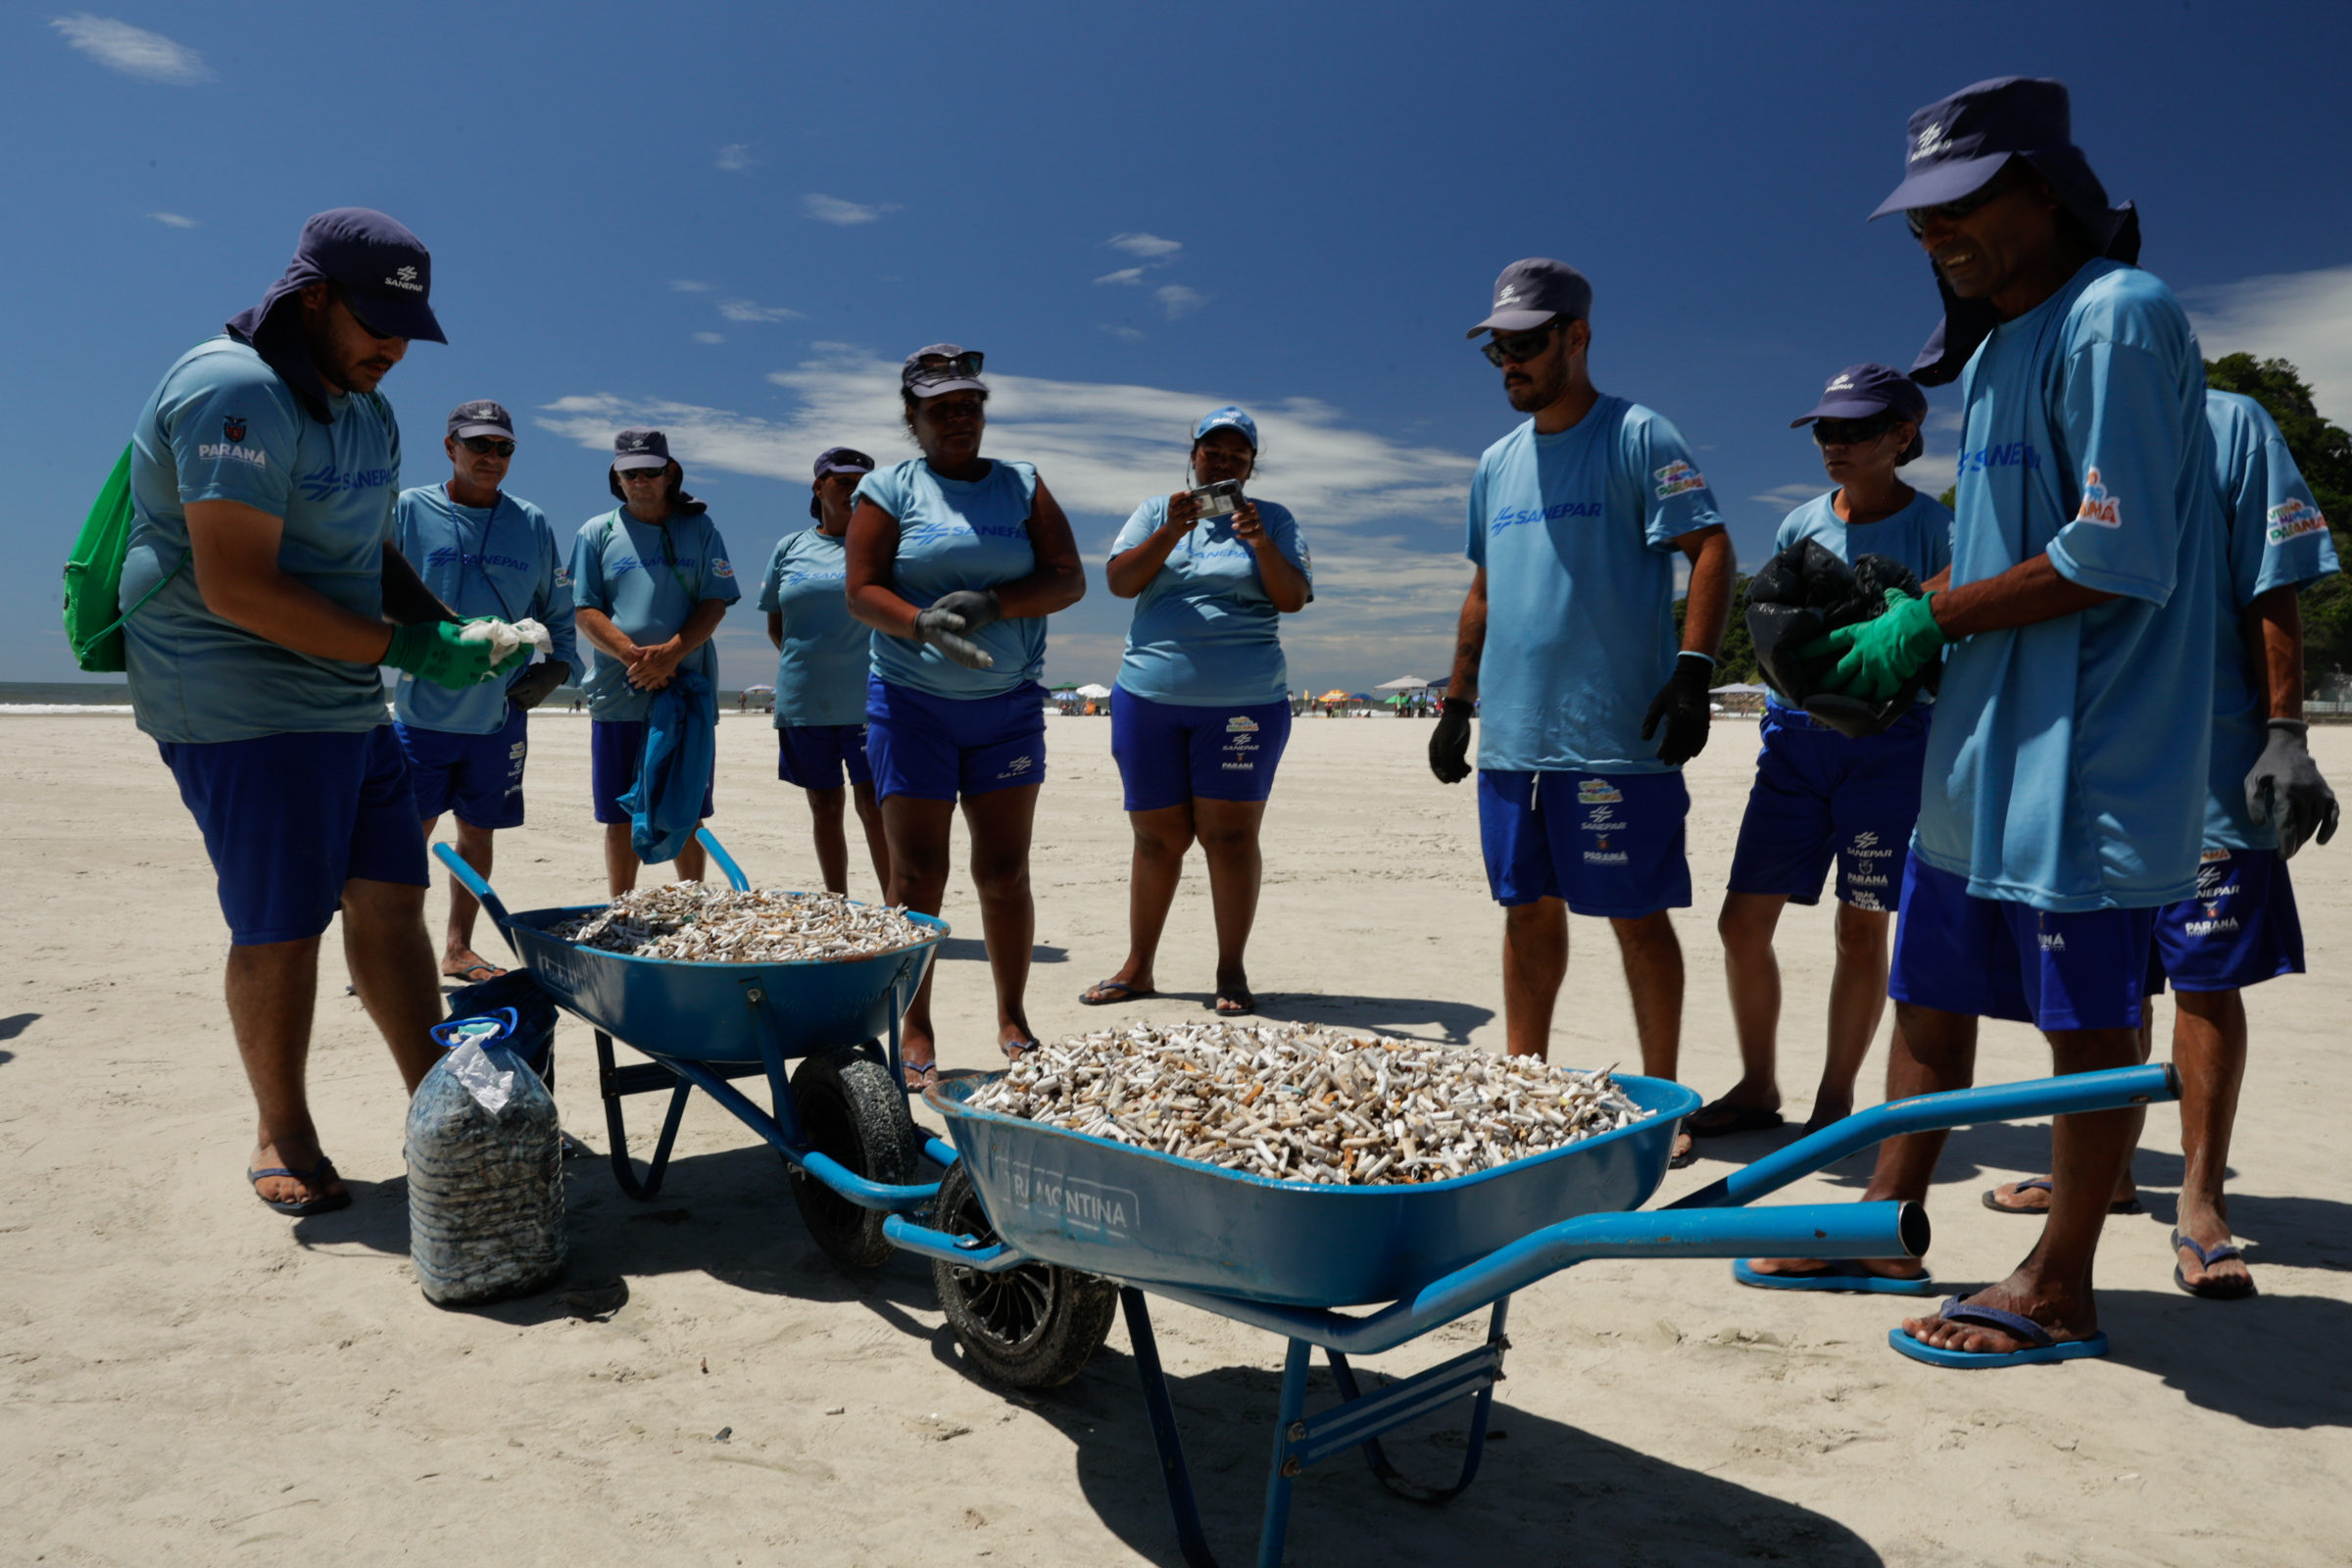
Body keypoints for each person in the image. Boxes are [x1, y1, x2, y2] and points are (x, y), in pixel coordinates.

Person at [1745, 78, 2222, 1367]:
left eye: (1962, 204)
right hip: (1979, 744)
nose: (1933, 232)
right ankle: (1885, 1222)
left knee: (2087, 1022)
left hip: (2094, 746)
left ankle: (2062, 1280)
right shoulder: (2000, 352)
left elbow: (2115, 554)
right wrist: (1901, 623)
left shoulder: (2116, 316)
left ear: (2047, 193)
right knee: (1929, 987)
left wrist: (1928, 623)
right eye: (1918, 216)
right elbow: (2006, 550)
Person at [119, 208, 513, 1217]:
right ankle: (281, 1127)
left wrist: (448, 629)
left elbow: (362, 549)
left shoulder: (366, 409)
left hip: (342, 691)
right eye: (374, 319)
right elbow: (237, 586)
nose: (392, 346)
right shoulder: (233, 391)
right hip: (238, 699)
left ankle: (438, 1099)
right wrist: (405, 648)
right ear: (311, 297)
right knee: (282, 923)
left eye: (408, 330)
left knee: (390, 896)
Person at [1976, 388, 2339, 1298]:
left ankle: (2202, 1199)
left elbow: (2272, 578)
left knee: (2206, 979)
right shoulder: (2044, 427)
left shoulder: (2230, 424)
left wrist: (2287, 729)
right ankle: (2108, 1171)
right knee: (2109, 980)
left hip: (2211, 760)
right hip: (2085, 761)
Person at [1428, 259, 1738, 1170]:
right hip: (1515, 740)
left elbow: (1710, 546)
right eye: (1498, 349)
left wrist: (1692, 670)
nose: (1510, 362)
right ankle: (1526, 1084)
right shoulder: (1496, 464)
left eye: (1526, 344)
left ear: (1577, 336)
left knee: (1636, 914)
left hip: (1614, 739)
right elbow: (1484, 589)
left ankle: (1666, 1099)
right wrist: (1456, 701)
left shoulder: (1638, 435)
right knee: (1527, 909)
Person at [1697, 367, 1951, 1145]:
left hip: (1889, 745)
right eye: (1824, 430)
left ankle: (1835, 1104)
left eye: (1852, 430)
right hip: (1794, 743)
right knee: (1742, 923)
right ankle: (1757, 1084)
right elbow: (1779, 640)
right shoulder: (1801, 523)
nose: (1832, 443)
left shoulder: (1938, 528)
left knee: (1861, 927)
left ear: (1903, 436)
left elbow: (1952, 628)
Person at [845, 345, 1086, 1084]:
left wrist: (994, 604)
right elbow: (860, 590)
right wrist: (921, 624)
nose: (959, 418)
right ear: (913, 419)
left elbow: (1069, 579)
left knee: (1005, 870)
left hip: (1006, 707)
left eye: (969, 404)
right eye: (940, 407)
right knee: (917, 876)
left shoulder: (1021, 483)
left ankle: (1012, 1016)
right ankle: (913, 1025)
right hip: (912, 704)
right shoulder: (888, 489)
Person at [1081, 406, 1312, 1015]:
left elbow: (1292, 598)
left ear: (1251, 466)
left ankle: (1231, 970)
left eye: (1238, 455)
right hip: (1149, 698)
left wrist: (1259, 540)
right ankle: (1139, 967)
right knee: (1157, 840)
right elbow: (1119, 583)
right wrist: (1171, 532)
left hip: (1244, 704)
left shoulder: (1276, 520)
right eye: (1215, 451)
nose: (1225, 461)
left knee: (1231, 838)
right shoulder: (1158, 511)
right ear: (1195, 455)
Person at [390, 400, 577, 983]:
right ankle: (392, 950)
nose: (491, 457)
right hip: (421, 713)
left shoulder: (533, 521)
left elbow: (559, 610)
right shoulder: (408, 510)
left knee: (477, 832)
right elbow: (369, 588)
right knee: (402, 837)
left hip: (499, 717)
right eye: (478, 445)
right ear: (450, 447)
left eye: (503, 448)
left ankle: (457, 948)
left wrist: (559, 669)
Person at [570, 429, 740, 895]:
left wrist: (673, 654)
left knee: (688, 809)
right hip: (618, 693)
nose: (641, 480)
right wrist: (634, 656)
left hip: (687, 694)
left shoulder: (700, 529)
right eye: (630, 473)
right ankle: (621, 908)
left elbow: (717, 601)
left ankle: (692, 910)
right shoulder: (595, 532)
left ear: (670, 474)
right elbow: (585, 610)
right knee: (619, 812)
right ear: (617, 478)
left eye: (651, 471)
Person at [760, 446, 892, 897]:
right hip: (803, 700)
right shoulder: (790, 547)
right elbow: (779, 626)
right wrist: (814, 666)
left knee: (875, 805)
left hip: (870, 702)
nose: (854, 491)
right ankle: (837, 902)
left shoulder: (885, 547)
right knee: (824, 805)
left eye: (863, 484)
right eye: (843, 482)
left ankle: (899, 909)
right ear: (819, 487)